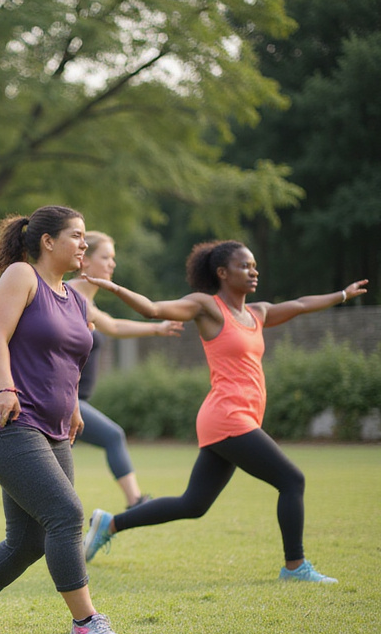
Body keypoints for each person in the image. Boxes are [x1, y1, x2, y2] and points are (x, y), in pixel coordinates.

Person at [82, 239, 368, 584]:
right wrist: (114, 288)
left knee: (193, 504)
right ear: (222, 272)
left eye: (254, 266)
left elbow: (300, 304)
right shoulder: (208, 307)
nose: (253, 272)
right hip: (228, 417)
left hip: (235, 418)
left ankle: (110, 523)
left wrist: (342, 295)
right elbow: (154, 309)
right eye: (244, 266)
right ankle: (295, 567)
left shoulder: (258, 313)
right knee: (292, 481)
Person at [0, 205, 124, 634]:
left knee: (28, 540)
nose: (85, 244)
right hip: (10, 425)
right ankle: (86, 622)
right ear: (48, 241)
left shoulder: (77, 299)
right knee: (66, 514)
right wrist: (6, 387)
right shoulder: (22, 276)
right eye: (77, 236)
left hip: (55, 430)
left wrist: (74, 406)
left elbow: (71, 360)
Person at [0, 231, 183, 509]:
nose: (112, 264)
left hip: (69, 403)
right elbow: (0, 337)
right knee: (112, 437)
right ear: (85, 260)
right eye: (106, 257)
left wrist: (157, 329)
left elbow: (112, 325)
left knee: (44, 467)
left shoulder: (81, 300)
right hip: (52, 398)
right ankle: (135, 501)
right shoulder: (63, 294)